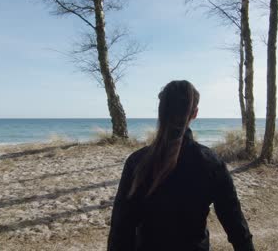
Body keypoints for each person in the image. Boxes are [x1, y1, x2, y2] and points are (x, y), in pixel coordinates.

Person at [107, 80, 254, 251]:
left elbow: (121, 229)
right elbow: (235, 223)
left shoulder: (137, 161)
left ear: (161, 113)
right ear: (195, 113)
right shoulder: (210, 163)